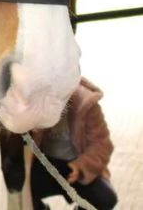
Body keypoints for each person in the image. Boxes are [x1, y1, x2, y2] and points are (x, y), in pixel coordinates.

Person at [30, 77, 118, 210]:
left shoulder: (86, 103)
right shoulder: (32, 103)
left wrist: (81, 165)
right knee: (18, 187)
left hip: (76, 165)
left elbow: (102, 145)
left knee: (105, 198)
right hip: (44, 165)